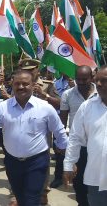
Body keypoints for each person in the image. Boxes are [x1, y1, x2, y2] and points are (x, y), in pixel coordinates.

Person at [0, 70, 68, 206]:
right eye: (17, 83)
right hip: (12, 162)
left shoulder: (45, 108)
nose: (21, 87)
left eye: (25, 84)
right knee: (20, 197)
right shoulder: (1, 108)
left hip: (37, 162)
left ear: (33, 85)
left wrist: (68, 162)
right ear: (12, 85)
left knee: (32, 199)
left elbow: (60, 133)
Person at [63, 66, 107, 206]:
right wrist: (69, 165)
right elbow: (75, 137)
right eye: (97, 80)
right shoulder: (87, 107)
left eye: (104, 80)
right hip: (97, 177)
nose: (98, 84)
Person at [20, 58, 61, 205]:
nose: (30, 72)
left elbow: (60, 103)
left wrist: (45, 95)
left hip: (42, 131)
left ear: (38, 70)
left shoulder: (48, 85)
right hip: (22, 129)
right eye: (26, 70)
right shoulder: (19, 85)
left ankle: (43, 194)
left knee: (41, 162)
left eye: (32, 69)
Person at [53, 66, 97, 203]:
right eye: (78, 79)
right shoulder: (67, 94)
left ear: (92, 78)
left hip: (98, 147)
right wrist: (60, 141)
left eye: (85, 79)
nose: (81, 82)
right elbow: (63, 119)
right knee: (79, 183)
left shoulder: (101, 93)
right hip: (79, 146)